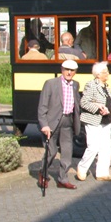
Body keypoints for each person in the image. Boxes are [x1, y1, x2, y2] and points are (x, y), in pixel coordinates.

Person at [37, 59, 81, 190]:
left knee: (67, 152)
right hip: (52, 123)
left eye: (71, 70)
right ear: (62, 70)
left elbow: (77, 104)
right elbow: (42, 106)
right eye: (66, 69)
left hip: (68, 121)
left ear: (75, 72)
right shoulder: (51, 84)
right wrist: (44, 124)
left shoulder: (75, 85)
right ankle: (43, 173)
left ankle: (63, 179)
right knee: (51, 151)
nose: (69, 72)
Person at [77, 62, 111, 182]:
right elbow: (84, 103)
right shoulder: (91, 85)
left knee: (105, 147)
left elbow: (109, 103)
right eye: (105, 72)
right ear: (98, 74)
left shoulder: (106, 87)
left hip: (106, 120)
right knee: (93, 146)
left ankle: (102, 173)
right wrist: (98, 108)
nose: (108, 73)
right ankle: (82, 168)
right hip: (93, 120)